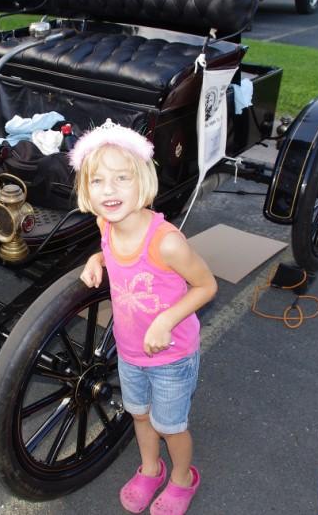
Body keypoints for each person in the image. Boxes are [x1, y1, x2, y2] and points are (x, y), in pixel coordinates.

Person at [73, 121, 218, 515]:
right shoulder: (106, 224)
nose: (110, 190)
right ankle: (151, 469)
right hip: (131, 351)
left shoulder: (166, 242)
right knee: (139, 416)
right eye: (98, 180)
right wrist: (95, 260)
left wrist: (166, 320)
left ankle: (182, 478)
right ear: (86, 190)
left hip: (171, 356)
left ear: (143, 181)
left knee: (171, 426)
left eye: (122, 178)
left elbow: (206, 286)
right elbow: (109, 252)